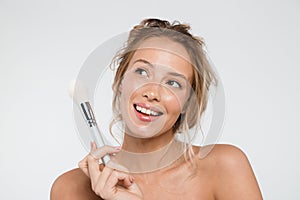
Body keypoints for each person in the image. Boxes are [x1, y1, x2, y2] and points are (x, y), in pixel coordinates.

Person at [50, 18, 263, 200]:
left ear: (187, 103)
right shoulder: (70, 189)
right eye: (142, 71)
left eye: (173, 83)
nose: (152, 92)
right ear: (119, 81)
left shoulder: (224, 167)